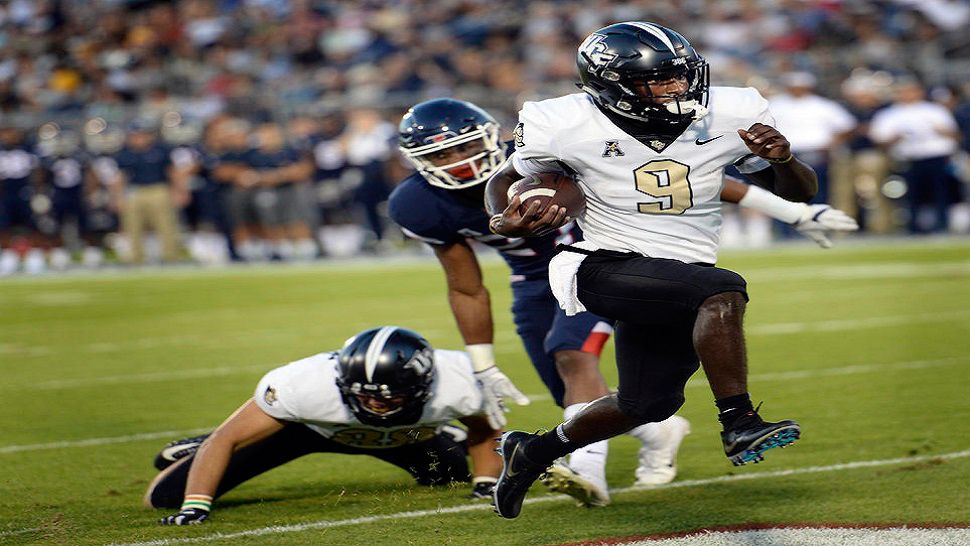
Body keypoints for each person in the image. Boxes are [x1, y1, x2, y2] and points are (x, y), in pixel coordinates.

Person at [388, 98, 854, 509]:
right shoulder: (420, 202)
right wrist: (483, 362)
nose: (460, 161)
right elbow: (466, 286)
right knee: (596, 395)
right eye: (443, 154)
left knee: (577, 358)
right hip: (532, 283)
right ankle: (643, 432)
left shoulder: (551, 145)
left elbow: (686, 181)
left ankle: (588, 471)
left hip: (604, 260)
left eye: (466, 147)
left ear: (491, 136)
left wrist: (793, 210)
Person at [484, 22, 851, 519]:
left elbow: (800, 190)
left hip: (677, 275)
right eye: (660, 81)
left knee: (647, 403)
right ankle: (739, 421)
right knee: (723, 291)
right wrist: (504, 217)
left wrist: (784, 158)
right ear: (612, 88)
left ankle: (533, 451)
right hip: (599, 264)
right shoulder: (564, 121)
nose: (678, 87)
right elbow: (507, 177)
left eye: (681, 75)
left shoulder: (734, 110)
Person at [145, 326, 506, 525]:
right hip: (307, 429)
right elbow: (227, 438)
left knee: (450, 475)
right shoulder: (303, 384)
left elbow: (485, 430)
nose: (374, 403)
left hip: (403, 434)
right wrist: (195, 507)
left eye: (387, 396)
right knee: (163, 499)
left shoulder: (459, 381)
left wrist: (486, 483)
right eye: (363, 395)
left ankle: (440, 433)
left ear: (422, 384)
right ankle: (198, 447)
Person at [869, 77, 961, 234]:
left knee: (940, 192)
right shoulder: (889, 114)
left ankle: (942, 224)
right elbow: (879, 140)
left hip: (935, 156)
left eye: (911, 91)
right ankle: (913, 227)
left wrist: (940, 131)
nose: (907, 94)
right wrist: (896, 138)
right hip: (908, 159)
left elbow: (955, 134)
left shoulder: (934, 110)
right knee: (910, 195)